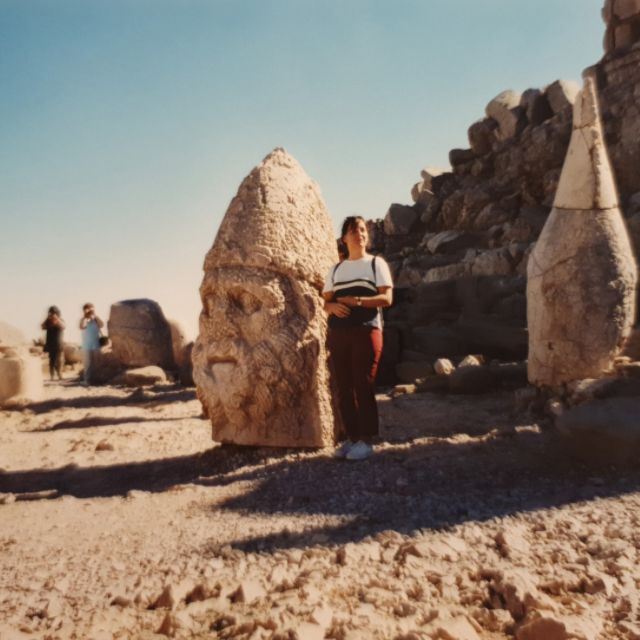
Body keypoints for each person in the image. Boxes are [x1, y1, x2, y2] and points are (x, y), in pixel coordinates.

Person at [322, 216, 393, 460]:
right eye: (353, 231)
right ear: (344, 238)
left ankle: (367, 440)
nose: (359, 234)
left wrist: (358, 301)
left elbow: (387, 299)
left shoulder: (376, 264)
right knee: (343, 387)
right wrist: (330, 308)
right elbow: (327, 300)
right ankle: (351, 439)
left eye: (362, 230)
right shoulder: (336, 269)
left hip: (367, 330)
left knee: (363, 384)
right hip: (339, 333)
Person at [79, 303, 104, 385]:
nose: (90, 311)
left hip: (96, 345)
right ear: (84, 310)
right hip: (86, 346)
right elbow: (82, 326)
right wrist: (86, 317)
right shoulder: (83, 319)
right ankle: (87, 381)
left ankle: (98, 380)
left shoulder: (96, 320)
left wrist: (95, 316)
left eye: (91, 309)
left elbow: (102, 324)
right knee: (87, 365)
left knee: (98, 364)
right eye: (87, 309)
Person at [41, 306, 66, 380]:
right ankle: (52, 375)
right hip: (50, 343)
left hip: (59, 343)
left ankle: (60, 374)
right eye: (51, 312)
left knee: (60, 360)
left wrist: (57, 319)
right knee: (51, 360)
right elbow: (42, 326)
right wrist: (47, 318)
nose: (52, 314)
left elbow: (63, 326)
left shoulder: (60, 320)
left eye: (54, 312)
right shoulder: (48, 321)